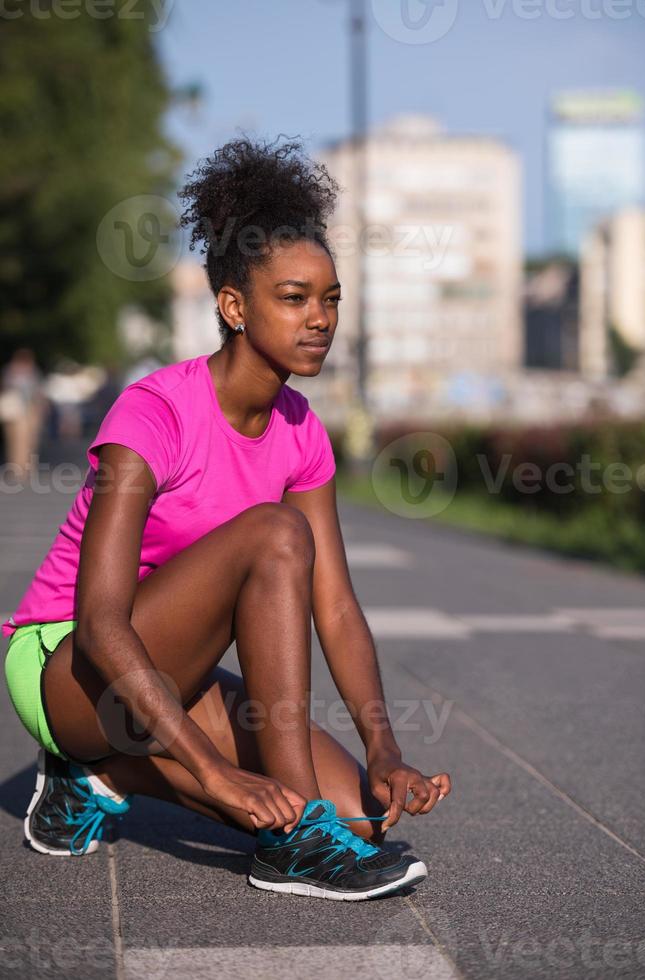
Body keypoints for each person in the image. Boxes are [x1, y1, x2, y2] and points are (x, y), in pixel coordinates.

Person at [3, 135, 451, 900]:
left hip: (174, 670)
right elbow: (103, 623)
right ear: (234, 306)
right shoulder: (154, 414)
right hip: (67, 669)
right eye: (294, 297)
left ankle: (104, 777)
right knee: (277, 536)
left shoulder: (303, 430)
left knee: (368, 817)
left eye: (331, 298)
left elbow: (335, 607)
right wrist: (216, 778)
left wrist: (384, 746)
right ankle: (284, 844)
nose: (320, 318)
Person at [0, 348, 47, 479]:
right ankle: (16, 466)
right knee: (15, 440)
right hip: (14, 412)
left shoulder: (33, 372)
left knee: (30, 440)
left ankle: (26, 466)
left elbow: (38, 392)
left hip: (30, 410)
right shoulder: (10, 371)